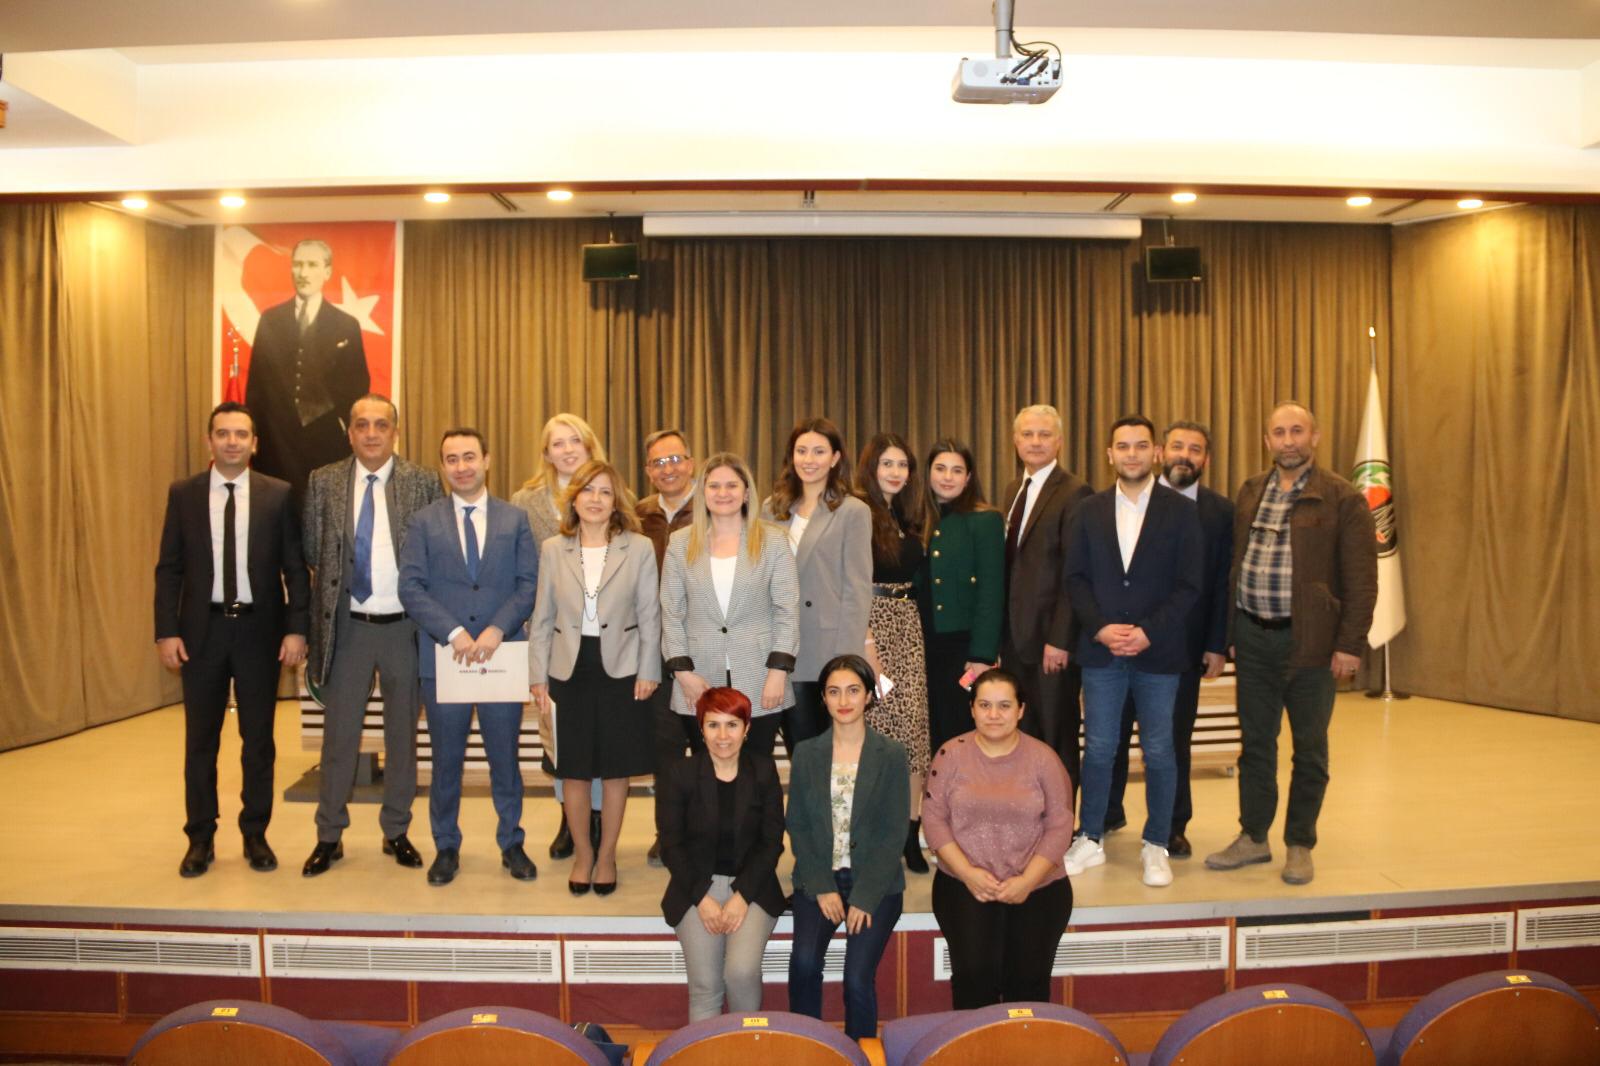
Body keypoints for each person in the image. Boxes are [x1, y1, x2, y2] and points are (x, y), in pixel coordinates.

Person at [1206, 402, 1377, 886]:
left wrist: (1349, 644)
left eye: (1297, 431)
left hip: (1313, 645)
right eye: (1278, 432)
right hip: (1253, 640)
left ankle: (1300, 843)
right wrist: (1229, 634)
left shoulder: (1343, 499)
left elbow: (1362, 580)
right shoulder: (1250, 491)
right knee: (1256, 745)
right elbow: (1234, 566)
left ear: (1314, 437)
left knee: (1310, 749)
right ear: (1267, 441)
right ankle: (1253, 837)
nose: (1288, 441)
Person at [154, 401, 310, 877]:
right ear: (210, 441)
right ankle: (200, 838)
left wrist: (296, 628)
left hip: (259, 632)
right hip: (201, 633)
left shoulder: (277, 494)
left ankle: (255, 833)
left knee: (258, 740)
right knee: (200, 740)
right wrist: (166, 631)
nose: (232, 442)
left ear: (254, 443)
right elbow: (169, 568)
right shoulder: (184, 494)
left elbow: (294, 568)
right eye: (222, 433)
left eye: (241, 434)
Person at [300, 394, 443, 877]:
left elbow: (434, 553)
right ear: (350, 432)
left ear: (395, 432)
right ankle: (329, 835)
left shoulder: (423, 481)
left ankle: (396, 830)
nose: (371, 433)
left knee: (402, 736)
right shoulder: (323, 481)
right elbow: (314, 551)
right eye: (362, 424)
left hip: (405, 627)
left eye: (381, 424)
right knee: (339, 738)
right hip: (349, 629)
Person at [1062, 416, 1203, 889]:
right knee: (1100, 748)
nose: (1132, 454)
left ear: (1156, 452)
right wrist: (1100, 628)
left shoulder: (1181, 512)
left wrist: (1148, 632)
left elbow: (1190, 584)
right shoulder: (1089, 510)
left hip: (1158, 654)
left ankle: (1156, 843)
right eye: (1122, 446)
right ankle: (1090, 837)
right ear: (1110, 454)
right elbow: (1075, 578)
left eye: (1141, 445)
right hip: (1102, 652)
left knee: (1160, 750)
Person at [397, 427, 539, 886]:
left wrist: (498, 628)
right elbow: (410, 587)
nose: (462, 466)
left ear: (487, 460)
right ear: (443, 466)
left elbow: (529, 583)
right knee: (446, 761)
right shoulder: (423, 522)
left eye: (469, 457)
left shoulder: (515, 519)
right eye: (452, 459)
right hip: (445, 660)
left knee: (505, 758)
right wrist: (454, 632)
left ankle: (512, 842)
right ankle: (446, 845)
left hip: (502, 656)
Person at [528, 460, 660, 896]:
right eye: (588, 490)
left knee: (616, 770)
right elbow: (542, 618)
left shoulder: (638, 548)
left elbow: (650, 615)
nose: (596, 499)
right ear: (574, 498)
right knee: (574, 770)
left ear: (615, 500)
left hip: (622, 669)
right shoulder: (553, 549)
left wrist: (649, 670)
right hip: (568, 669)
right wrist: (537, 677)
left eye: (605, 492)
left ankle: (607, 857)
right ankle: (583, 854)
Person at [1103, 420, 1234, 858]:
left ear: (1206, 459)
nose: (1185, 456)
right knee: (1112, 735)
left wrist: (1216, 643)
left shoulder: (1220, 512)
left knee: (1172, 740)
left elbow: (1220, 582)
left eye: (1195, 450)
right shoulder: (1124, 500)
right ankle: (1107, 813)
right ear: (1161, 452)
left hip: (1182, 646)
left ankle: (1173, 825)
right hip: (1120, 640)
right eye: (1177, 446)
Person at [922, 669, 1075, 1009]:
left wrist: (1027, 881)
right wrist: (968, 874)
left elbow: (1060, 825)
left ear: (1021, 710)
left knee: (1028, 983)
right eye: (985, 705)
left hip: (1038, 887)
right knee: (973, 980)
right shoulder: (950, 755)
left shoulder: (1044, 759)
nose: (994, 715)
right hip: (964, 884)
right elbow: (933, 820)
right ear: (972, 709)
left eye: (1004, 706)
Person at [786, 655, 908, 1040]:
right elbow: (798, 825)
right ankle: (807, 1048)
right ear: (822, 698)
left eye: (853, 690)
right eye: (834, 691)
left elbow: (894, 833)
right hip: (819, 878)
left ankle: (861, 1052)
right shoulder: (807, 753)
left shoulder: (891, 754)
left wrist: (866, 896)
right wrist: (822, 886)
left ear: (869, 696)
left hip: (875, 883)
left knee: (856, 978)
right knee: (804, 963)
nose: (844, 700)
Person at [656, 687, 786, 1022]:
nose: (723, 736)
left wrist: (742, 897)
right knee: (705, 985)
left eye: (732, 725)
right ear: (701, 729)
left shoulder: (763, 770)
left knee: (740, 973)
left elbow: (771, 842)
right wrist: (702, 899)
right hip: (695, 887)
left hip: (752, 886)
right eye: (713, 725)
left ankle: (746, 1044)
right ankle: (706, 1048)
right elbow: (671, 845)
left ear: (747, 728)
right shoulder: (679, 774)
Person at [512, 413, 608, 861]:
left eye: (575, 441)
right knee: (557, 732)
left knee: (599, 733)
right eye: (558, 443)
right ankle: (569, 819)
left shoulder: (611, 491)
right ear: (546, 453)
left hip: (601, 635)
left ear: (589, 446)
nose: (568, 450)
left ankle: (596, 817)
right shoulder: (524, 501)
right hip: (549, 634)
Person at [662, 453, 799, 757]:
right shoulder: (680, 543)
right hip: (697, 677)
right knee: (705, 769)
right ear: (703, 492)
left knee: (757, 768)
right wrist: (683, 674)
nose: (722, 493)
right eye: (714, 486)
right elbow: (671, 613)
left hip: (760, 675)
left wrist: (778, 672)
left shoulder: (774, 541)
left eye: (732, 485)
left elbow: (787, 611)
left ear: (746, 492)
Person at [760, 417, 872, 758]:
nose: (809, 460)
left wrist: (845, 660)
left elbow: (857, 590)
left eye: (819, 451)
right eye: (802, 451)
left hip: (823, 649)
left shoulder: (853, 511)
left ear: (835, 458)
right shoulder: (771, 509)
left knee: (816, 754)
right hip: (774, 647)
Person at [999, 405, 1092, 795]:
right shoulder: (1012, 490)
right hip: (1014, 641)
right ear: (1015, 441)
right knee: (1022, 738)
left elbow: (1075, 574)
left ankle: (1061, 822)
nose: (1035, 442)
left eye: (1044, 434)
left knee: (1057, 739)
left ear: (1059, 442)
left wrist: (1061, 639)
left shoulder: (1075, 492)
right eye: (1027, 434)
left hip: (1051, 645)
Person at [854, 433, 932, 874]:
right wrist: (869, 650)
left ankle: (909, 833)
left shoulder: (905, 513)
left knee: (914, 734)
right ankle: (876, 835)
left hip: (908, 627)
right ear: (871, 467)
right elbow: (852, 583)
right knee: (879, 733)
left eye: (903, 464)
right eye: (887, 463)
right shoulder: (858, 512)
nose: (896, 472)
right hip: (873, 626)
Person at [245, 239, 370, 499]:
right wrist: (256, 439)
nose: (303, 273)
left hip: (326, 445)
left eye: (312, 265)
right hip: (275, 445)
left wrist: (344, 435)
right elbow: (257, 386)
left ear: (327, 271)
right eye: (298, 264)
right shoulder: (270, 320)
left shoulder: (346, 325)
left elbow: (357, 387)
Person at [635, 428, 698, 867]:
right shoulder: (637, 515)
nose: (668, 469)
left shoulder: (714, 505)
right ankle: (669, 834)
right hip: (656, 648)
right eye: (658, 463)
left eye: (675, 459)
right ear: (647, 471)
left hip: (708, 644)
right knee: (666, 750)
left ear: (691, 463)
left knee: (712, 742)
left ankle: (712, 830)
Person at [920, 439, 1005, 756]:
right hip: (921, 645)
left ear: (968, 477)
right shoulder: (917, 519)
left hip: (962, 649)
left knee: (959, 729)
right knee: (926, 731)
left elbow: (991, 591)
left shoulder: (985, 521)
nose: (947, 477)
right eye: (940, 468)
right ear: (928, 473)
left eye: (957, 470)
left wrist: (982, 654)